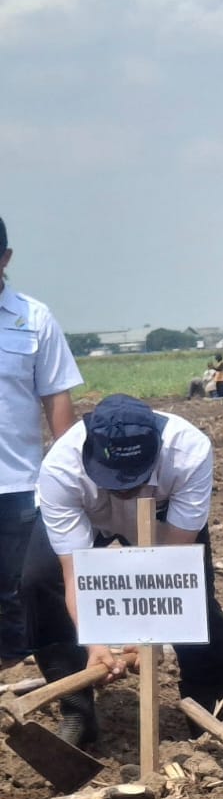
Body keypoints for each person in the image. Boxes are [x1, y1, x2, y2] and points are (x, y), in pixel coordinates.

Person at [22, 395, 223, 745]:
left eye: (133, 477)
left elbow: (173, 564)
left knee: (194, 602)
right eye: (113, 478)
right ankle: (76, 712)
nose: (124, 488)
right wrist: (94, 643)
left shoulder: (188, 452)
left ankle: (209, 712)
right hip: (89, 516)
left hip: (163, 522)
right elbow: (74, 575)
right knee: (39, 584)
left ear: (156, 449)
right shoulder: (62, 467)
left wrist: (149, 635)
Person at [0, 216, 82, 670]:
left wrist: (71, 477)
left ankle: (32, 679)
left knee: (24, 589)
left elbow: (57, 400)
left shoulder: (33, 319)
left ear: (5, 259)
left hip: (18, 484)